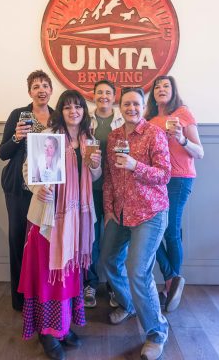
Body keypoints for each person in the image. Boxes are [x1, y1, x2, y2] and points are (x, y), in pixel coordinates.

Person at [18, 90, 101, 360]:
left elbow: (94, 175)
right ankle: (46, 332)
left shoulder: (90, 140)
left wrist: (96, 165)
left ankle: (62, 328)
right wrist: (37, 187)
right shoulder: (48, 136)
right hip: (49, 219)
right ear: (60, 112)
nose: (74, 111)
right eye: (67, 107)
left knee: (68, 274)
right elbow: (29, 168)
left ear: (84, 112)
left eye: (78, 107)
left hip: (76, 219)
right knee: (48, 274)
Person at [100, 87, 171, 360]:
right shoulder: (115, 137)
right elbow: (108, 177)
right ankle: (129, 304)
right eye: (127, 104)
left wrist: (134, 166)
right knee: (107, 260)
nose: (131, 108)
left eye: (136, 104)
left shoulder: (155, 134)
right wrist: (108, 210)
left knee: (138, 270)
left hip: (150, 213)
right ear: (120, 106)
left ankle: (156, 332)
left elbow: (164, 175)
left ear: (143, 107)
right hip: (119, 213)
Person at [145, 75, 204, 312]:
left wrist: (181, 139)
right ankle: (172, 279)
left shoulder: (183, 114)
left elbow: (199, 152)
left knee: (170, 230)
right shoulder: (149, 119)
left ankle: (170, 285)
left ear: (173, 90)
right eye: (157, 86)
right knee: (150, 229)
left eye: (165, 85)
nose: (161, 89)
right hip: (154, 180)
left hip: (179, 179)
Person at [0, 70, 54, 311]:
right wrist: (16, 137)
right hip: (20, 189)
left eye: (45, 85)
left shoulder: (58, 117)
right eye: (35, 86)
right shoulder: (18, 116)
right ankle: (20, 300)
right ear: (29, 92)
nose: (41, 89)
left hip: (47, 190)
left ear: (51, 89)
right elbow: (3, 153)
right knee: (18, 239)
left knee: (43, 242)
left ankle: (42, 295)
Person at [84, 79, 124, 308]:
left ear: (114, 96)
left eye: (108, 92)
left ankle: (113, 286)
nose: (104, 96)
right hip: (90, 188)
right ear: (94, 95)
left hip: (116, 189)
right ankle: (90, 283)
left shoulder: (121, 119)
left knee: (113, 242)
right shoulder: (85, 118)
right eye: (99, 92)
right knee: (92, 239)